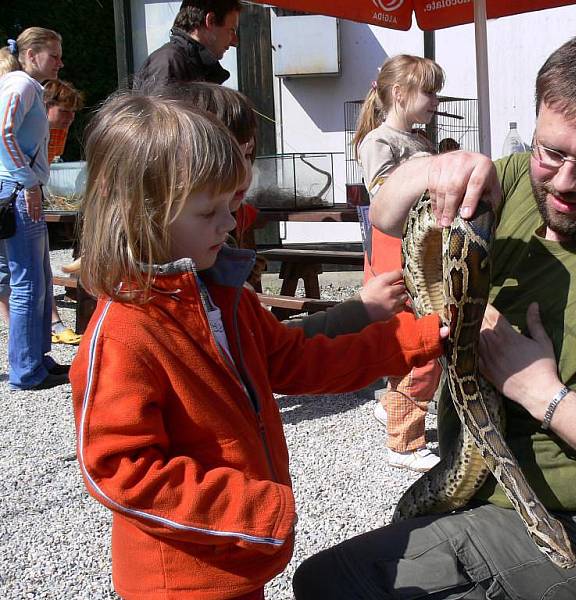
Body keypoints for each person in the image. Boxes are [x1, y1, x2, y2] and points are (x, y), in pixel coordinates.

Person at [293, 29, 576, 600]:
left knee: (337, 584)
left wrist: (541, 392)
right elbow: (385, 213)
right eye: (551, 151)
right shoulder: (522, 180)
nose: (564, 183)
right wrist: (433, 169)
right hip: (481, 482)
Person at [69, 92, 446, 599]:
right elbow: (121, 471)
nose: (229, 224)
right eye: (209, 213)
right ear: (143, 216)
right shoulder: (125, 333)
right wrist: (254, 510)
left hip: (237, 558)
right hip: (182, 576)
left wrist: (416, 338)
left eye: (232, 207)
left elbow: (297, 361)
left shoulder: (222, 294)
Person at [154, 80, 409, 334]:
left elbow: (269, 346)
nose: (244, 171)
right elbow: (274, 354)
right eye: (232, 156)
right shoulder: (161, 311)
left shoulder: (219, 271)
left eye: (248, 154)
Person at [352, 54, 445, 472]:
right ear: (399, 93)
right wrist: (431, 167)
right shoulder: (379, 143)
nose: (435, 101)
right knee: (423, 344)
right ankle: (404, 442)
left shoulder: (420, 141)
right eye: (429, 91)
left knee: (413, 342)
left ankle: (395, 406)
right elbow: (385, 199)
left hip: (421, 256)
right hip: (397, 259)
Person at [0, 28, 71, 390]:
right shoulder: (22, 85)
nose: (60, 62)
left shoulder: (26, 86)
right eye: (54, 55)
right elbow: (4, 132)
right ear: (31, 55)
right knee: (29, 281)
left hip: (17, 186)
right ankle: (27, 370)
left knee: (37, 276)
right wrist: (27, 181)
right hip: (17, 189)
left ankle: (38, 360)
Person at [43, 78, 84, 344]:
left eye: (73, 112)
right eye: (64, 111)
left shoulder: (59, 129)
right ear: (47, 105)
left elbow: (49, 162)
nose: (70, 118)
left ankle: (52, 322)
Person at [133, 0, 240, 92]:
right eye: (231, 30)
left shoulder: (188, 64)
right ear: (210, 21)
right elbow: (158, 115)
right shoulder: (167, 64)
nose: (235, 42)